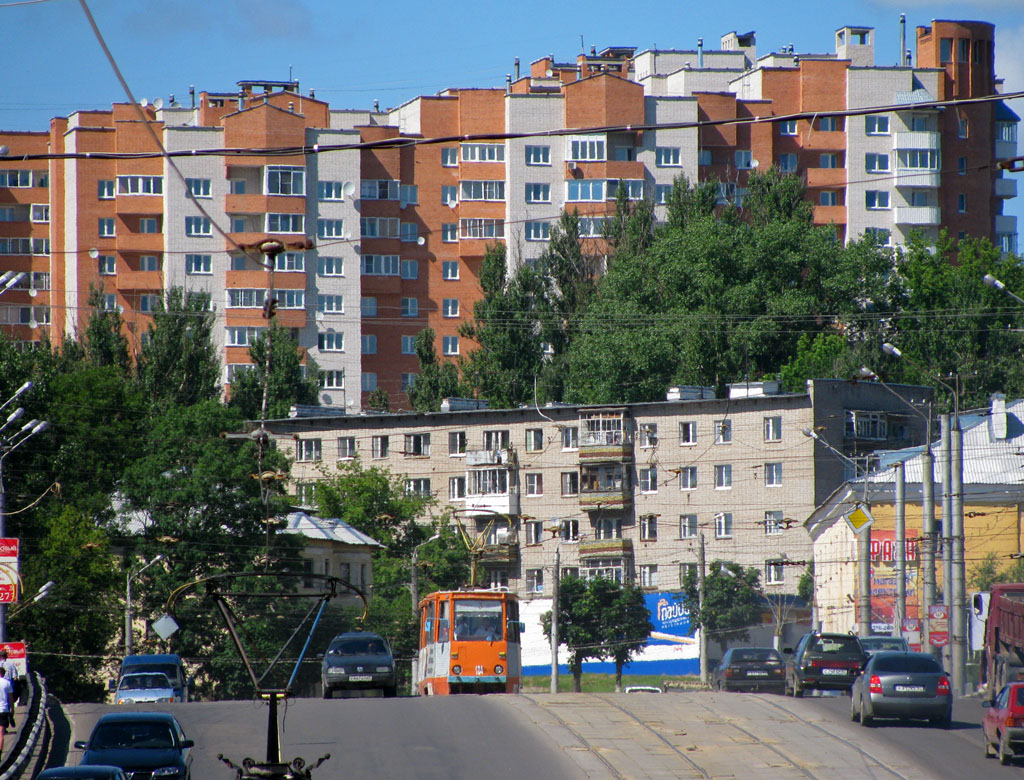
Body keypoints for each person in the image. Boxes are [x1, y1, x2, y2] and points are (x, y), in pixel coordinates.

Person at [0, 652, 17, 728]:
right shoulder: (11, 664)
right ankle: (9, 715)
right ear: (6, 656)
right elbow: (15, 675)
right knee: (8, 701)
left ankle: (4, 722)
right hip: (8, 683)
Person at [0, 666, 12, 750]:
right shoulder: (7, 683)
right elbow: (11, 698)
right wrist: (12, 709)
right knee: (1, 733)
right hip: (4, 709)